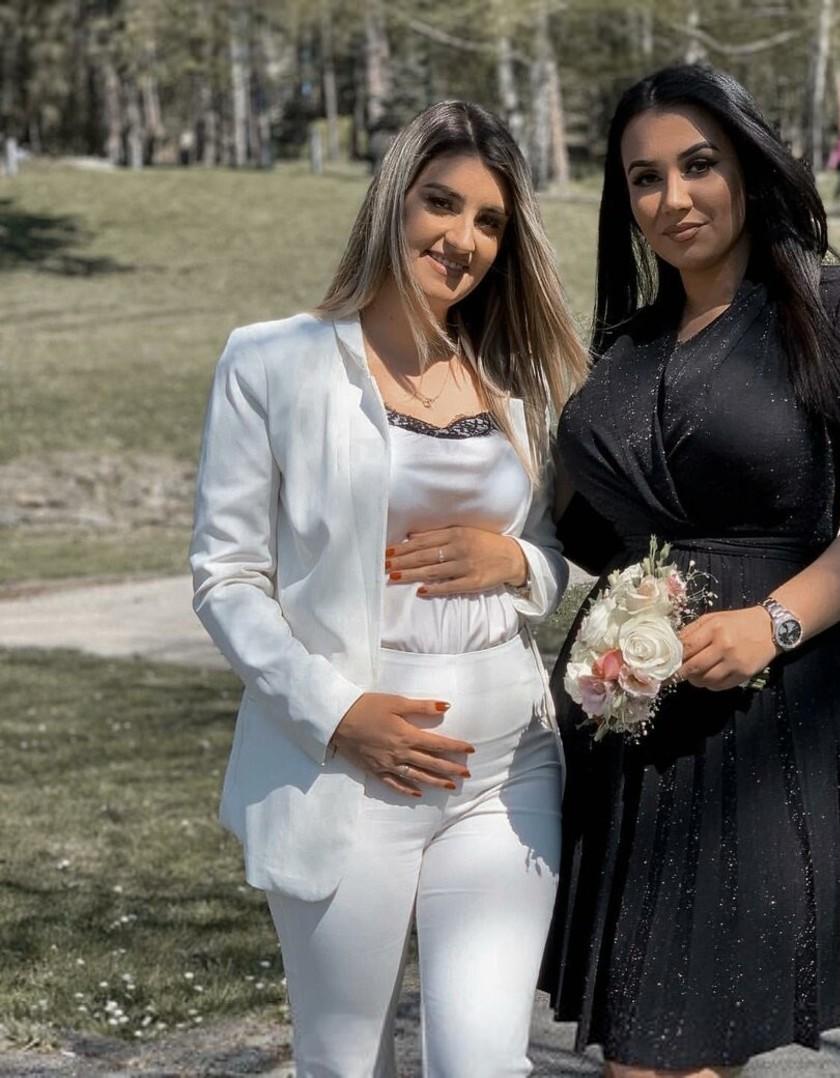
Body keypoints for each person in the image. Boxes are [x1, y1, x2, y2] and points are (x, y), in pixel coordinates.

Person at [541, 65, 840, 1077]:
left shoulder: (835, 307)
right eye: (644, 178)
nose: (673, 198)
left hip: (766, 722)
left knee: (666, 1052)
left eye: (699, 165)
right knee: (651, 1049)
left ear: (748, 167)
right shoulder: (624, 346)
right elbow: (587, 530)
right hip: (629, 724)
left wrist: (774, 621)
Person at [190, 100, 588, 1077]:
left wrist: (517, 563)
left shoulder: (521, 380)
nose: (463, 239)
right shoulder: (271, 361)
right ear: (392, 201)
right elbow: (227, 576)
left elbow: (557, 555)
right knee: (344, 1065)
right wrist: (340, 714)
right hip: (346, 770)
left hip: (508, 766)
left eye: (489, 221)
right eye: (441, 203)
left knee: (485, 1066)